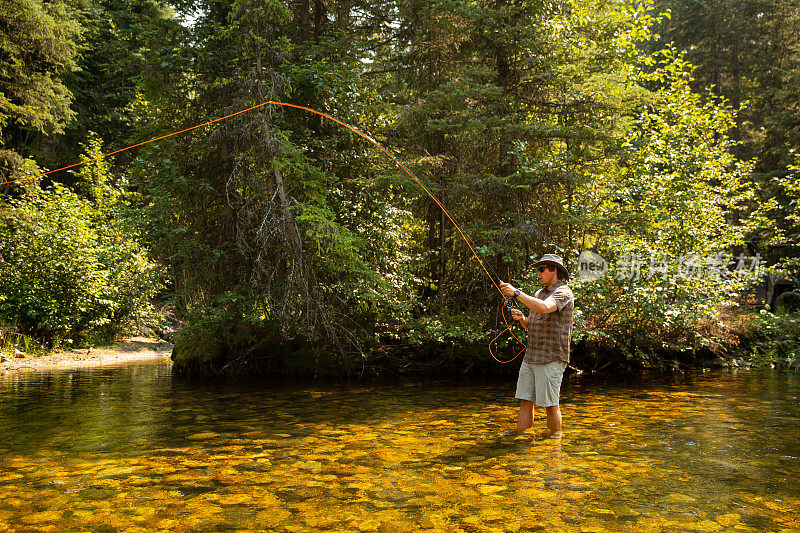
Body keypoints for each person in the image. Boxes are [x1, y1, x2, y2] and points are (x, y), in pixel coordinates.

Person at [500, 254, 574, 438]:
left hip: (551, 358)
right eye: (538, 270)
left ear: (553, 271)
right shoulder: (539, 294)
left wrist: (517, 293)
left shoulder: (563, 292)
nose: (538, 273)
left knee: (550, 404)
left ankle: (555, 443)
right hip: (531, 357)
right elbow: (530, 323)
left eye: (541, 269)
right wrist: (522, 319)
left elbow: (544, 308)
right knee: (525, 400)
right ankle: (522, 440)